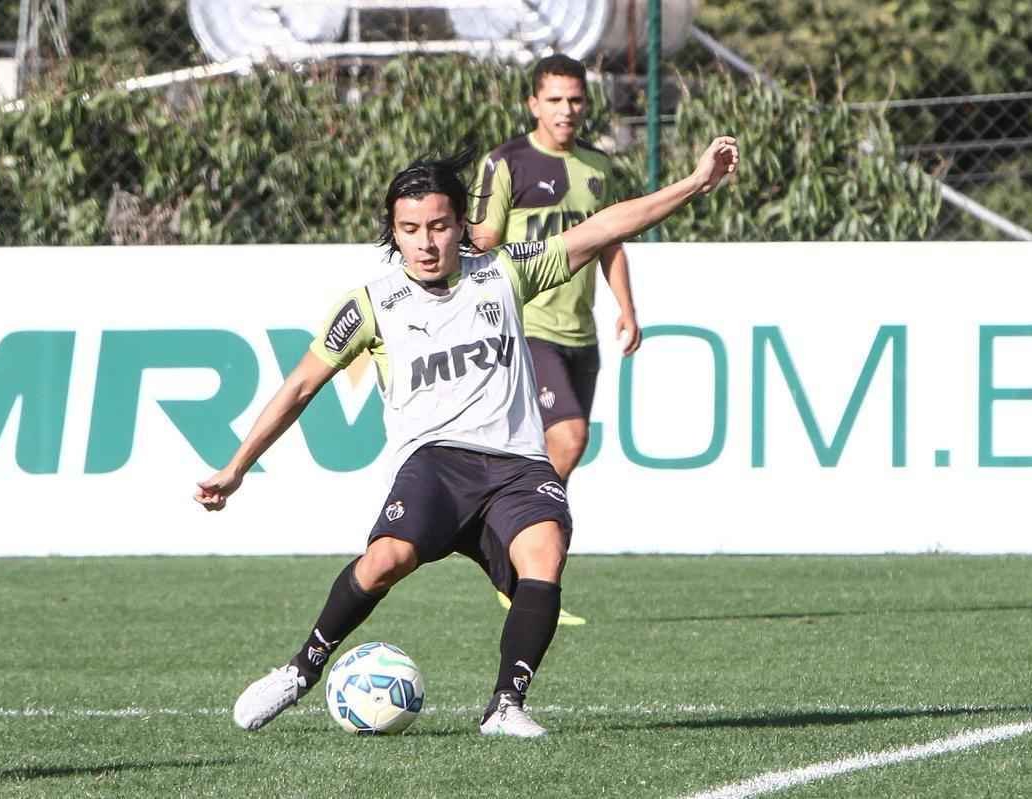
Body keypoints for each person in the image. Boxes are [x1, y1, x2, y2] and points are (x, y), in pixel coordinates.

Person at [195, 135, 738, 737]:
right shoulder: (371, 304)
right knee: (385, 561)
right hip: (436, 463)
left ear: (462, 225)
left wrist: (693, 184)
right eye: (409, 229)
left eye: (439, 226)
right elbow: (300, 386)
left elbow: (601, 226)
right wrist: (237, 466)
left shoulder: (505, 273)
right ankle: (299, 672)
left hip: (516, 465)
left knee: (545, 554)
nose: (426, 243)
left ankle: (505, 706)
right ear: (393, 232)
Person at [471, 55, 640, 625]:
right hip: (525, 328)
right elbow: (484, 237)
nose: (567, 110)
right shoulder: (505, 163)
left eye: (576, 100)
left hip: (579, 332)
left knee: (556, 450)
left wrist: (626, 306)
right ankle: (513, 553)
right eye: (556, 99)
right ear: (533, 104)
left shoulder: (596, 167)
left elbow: (611, 241)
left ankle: (523, 559)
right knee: (568, 439)